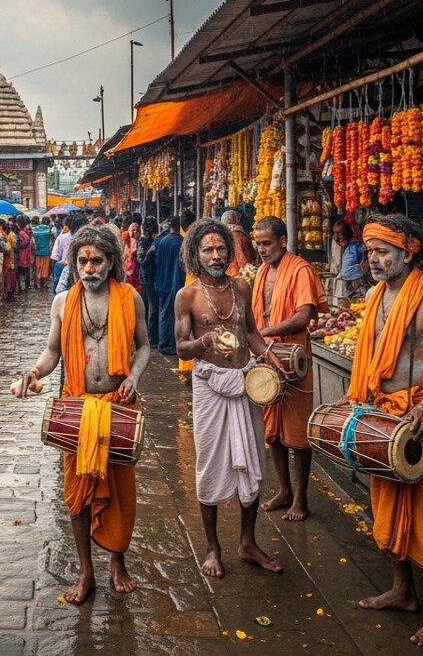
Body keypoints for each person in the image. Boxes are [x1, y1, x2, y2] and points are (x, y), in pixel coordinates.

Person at [345, 214, 423, 650]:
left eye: (382, 251)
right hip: (384, 416)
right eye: (370, 251)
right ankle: (402, 590)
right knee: (386, 504)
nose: (373, 259)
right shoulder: (376, 296)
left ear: (407, 251)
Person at [14, 225, 151, 603]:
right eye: (83, 260)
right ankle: (86, 571)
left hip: (118, 405)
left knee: (120, 492)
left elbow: (144, 347)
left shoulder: (130, 298)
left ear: (110, 262)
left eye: (97, 260)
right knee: (77, 494)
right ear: (74, 263)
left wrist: (134, 378)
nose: (89, 268)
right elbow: (52, 351)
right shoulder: (63, 303)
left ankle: (117, 561)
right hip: (77, 406)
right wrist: (34, 372)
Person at [173, 218, 282, 578]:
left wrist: (268, 354)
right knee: (210, 464)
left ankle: (248, 543)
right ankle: (212, 548)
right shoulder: (187, 296)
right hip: (209, 386)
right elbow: (181, 348)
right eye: (208, 249)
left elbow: (250, 331)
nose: (216, 255)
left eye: (221, 248)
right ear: (196, 253)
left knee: (252, 463)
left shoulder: (241, 286)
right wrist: (204, 342)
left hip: (244, 382)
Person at [251, 216, 328, 522]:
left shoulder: (301, 270)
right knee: (273, 432)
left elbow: (305, 315)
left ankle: (301, 498)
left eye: (266, 243)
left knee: (297, 433)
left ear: (283, 241)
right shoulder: (260, 272)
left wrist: (265, 332)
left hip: (293, 358)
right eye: (258, 244)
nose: (261, 249)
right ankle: (283, 490)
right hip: (267, 357)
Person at [154, 217, 185, 358]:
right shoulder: (181, 242)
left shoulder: (162, 241)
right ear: (179, 227)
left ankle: (162, 342)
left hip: (162, 281)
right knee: (173, 315)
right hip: (175, 283)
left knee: (163, 313)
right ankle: (169, 344)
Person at [332, 219, 367, 305]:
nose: (338, 238)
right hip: (348, 289)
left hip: (359, 288)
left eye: (341, 234)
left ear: (348, 234)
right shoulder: (345, 249)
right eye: (336, 235)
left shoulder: (357, 247)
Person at [136, 218, 159, 347]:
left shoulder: (150, 240)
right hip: (147, 279)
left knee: (151, 307)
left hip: (151, 278)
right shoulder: (143, 242)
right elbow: (141, 259)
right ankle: (151, 337)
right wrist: (150, 252)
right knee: (152, 307)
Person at [221, 210, 257, 275]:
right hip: (237, 272)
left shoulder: (224, 234)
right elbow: (241, 256)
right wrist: (247, 270)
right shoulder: (236, 234)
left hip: (229, 271)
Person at [32, 217, 52, 289]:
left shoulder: (36, 229)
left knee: (38, 268)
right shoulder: (48, 230)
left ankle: (38, 283)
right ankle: (45, 283)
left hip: (38, 252)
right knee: (45, 268)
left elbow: (33, 241)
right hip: (46, 252)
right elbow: (51, 241)